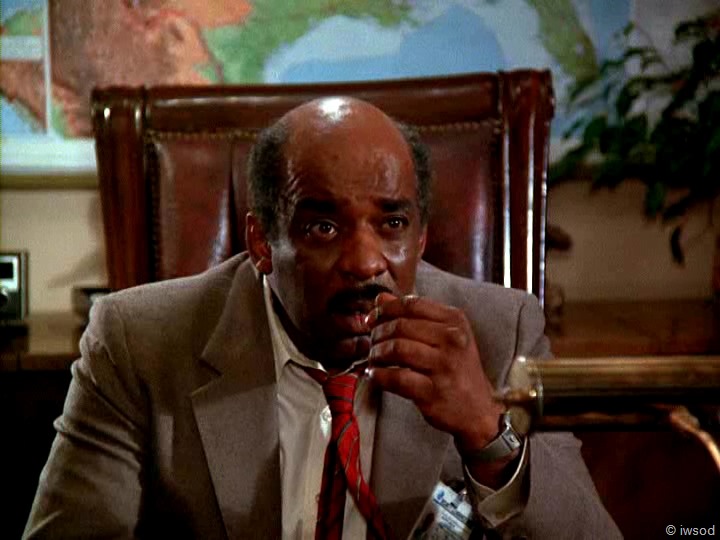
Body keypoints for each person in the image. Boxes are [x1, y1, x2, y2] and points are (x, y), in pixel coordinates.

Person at [24, 97, 620, 539]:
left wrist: (487, 434)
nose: (365, 262)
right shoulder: (138, 342)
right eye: (324, 227)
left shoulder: (499, 332)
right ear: (261, 242)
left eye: (392, 223)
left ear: (420, 237)